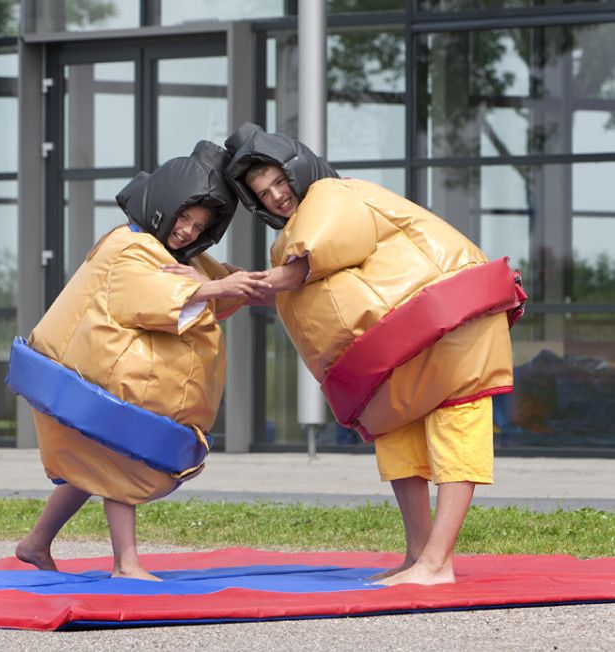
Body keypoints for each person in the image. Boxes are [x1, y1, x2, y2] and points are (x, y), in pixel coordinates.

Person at [220, 122, 526, 586]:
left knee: (455, 433)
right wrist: (229, 281)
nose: (277, 196)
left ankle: (438, 562)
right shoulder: (291, 237)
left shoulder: (334, 195)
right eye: (264, 192)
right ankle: (419, 556)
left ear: (299, 170)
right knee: (398, 437)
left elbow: (306, 263)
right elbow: (298, 284)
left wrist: (254, 281)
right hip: (405, 347)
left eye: (280, 182)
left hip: (448, 328)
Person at [8, 141, 270, 581]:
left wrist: (255, 284)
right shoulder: (129, 248)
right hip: (89, 385)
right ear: (163, 205)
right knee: (123, 458)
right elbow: (146, 296)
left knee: (93, 463)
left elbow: (215, 285)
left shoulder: (168, 252)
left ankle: (35, 543)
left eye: (197, 225)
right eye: (183, 218)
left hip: (84, 386)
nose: (186, 231)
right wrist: (213, 289)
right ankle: (126, 564)